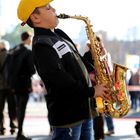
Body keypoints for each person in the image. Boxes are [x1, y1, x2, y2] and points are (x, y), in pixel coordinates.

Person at [17, 1, 108, 140]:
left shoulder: (58, 34)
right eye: (48, 7)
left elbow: (76, 63)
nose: (54, 9)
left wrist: (92, 56)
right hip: (68, 117)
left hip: (84, 110)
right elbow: (59, 79)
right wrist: (91, 91)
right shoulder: (41, 44)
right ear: (35, 18)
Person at [12, 32, 35, 140]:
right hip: (25, 83)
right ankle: (20, 133)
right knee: (22, 108)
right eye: (30, 38)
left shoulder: (14, 49)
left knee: (18, 107)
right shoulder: (28, 51)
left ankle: (19, 131)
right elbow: (32, 69)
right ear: (27, 38)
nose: (31, 40)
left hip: (14, 83)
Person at [0, 40, 18, 135]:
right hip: (11, 86)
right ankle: (13, 127)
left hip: (1, 87)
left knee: (0, 109)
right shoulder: (12, 55)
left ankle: (1, 128)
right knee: (12, 108)